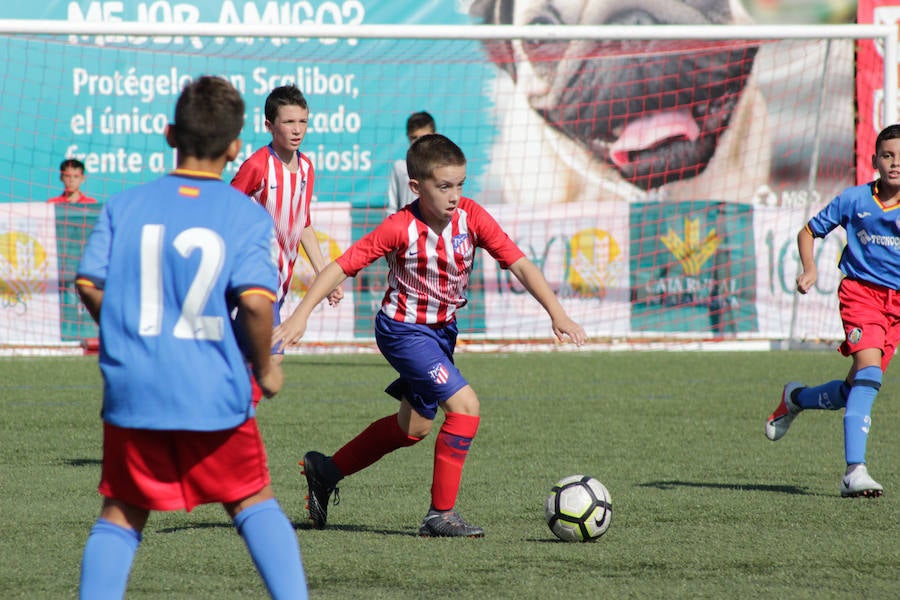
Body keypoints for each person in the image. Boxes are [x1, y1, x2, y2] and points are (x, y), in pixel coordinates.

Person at [272, 134, 587, 537]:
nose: (455, 195)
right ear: (417, 187)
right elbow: (341, 267)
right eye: (444, 186)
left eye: (460, 184)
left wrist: (557, 313)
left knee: (413, 428)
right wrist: (300, 315)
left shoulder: (471, 216)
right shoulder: (399, 227)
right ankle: (440, 515)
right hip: (402, 331)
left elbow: (520, 263)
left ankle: (326, 470)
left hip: (441, 334)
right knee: (465, 407)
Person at [75, 76, 308, 599]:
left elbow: (88, 282)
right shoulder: (244, 214)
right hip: (213, 388)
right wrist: (267, 368)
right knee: (253, 500)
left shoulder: (125, 205)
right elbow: (253, 301)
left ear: (167, 133)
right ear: (234, 147)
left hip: (136, 388)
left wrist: (126, 331)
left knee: (122, 512)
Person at [764, 123, 900, 499]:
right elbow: (808, 231)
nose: (895, 164)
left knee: (853, 387)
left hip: (896, 308)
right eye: (888, 155)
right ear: (874, 160)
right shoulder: (855, 200)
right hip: (860, 296)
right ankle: (854, 472)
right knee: (870, 376)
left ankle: (796, 398)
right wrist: (809, 269)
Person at [231, 84, 342, 365]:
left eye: (302, 121)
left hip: (280, 280)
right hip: (254, 275)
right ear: (269, 125)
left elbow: (303, 224)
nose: (297, 130)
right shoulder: (257, 166)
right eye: (289, 122)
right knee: (272, 357)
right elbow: (226, 209)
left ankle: (225, 407)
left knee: (246, 363)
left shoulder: (306, 168)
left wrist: (323, 276)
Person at [385, 111, 436, 217]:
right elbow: (392, 207)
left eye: (424, 137)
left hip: (433, 228)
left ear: (434, 135)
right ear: (408, 136)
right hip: (406, 228)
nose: (419, 142)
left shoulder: (442, 166)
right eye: (414, 138)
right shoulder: (400, 167)